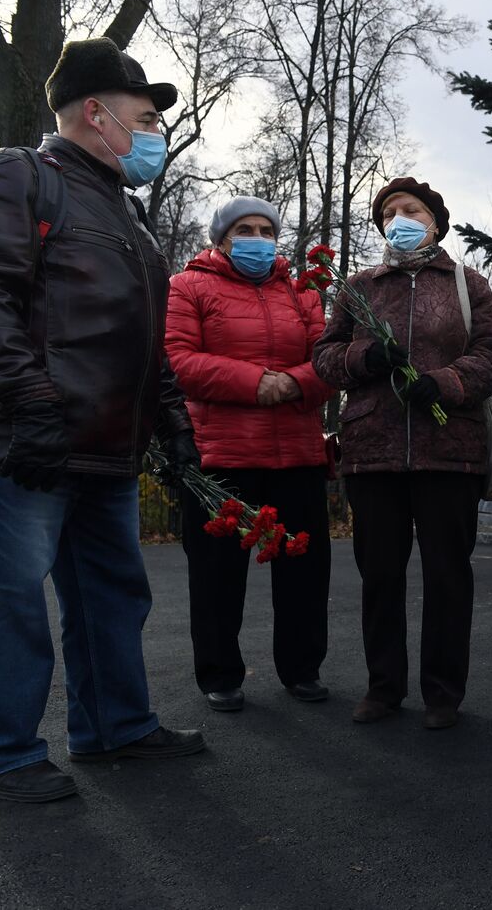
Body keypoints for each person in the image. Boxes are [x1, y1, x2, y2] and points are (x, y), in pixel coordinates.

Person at [0, 38, 206, 804]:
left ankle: (115, 726)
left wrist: (171, 420)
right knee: (6, 598)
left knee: (112, 595)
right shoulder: (20, 175)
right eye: (145, 118)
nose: (155, 137)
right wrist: (28, 401)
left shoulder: (129, 218)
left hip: (107, 451)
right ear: (96, 113)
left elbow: (144, 338)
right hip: (26, 444)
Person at [313, 178, 492, 729]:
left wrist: (445, 383)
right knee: (379, 575)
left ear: (436, 221)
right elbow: (324, 357)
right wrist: (364, 357)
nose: (399, 217)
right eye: (389, 211)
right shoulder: (358, 287)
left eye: (412, 210)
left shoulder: (468, 285)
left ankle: (444, 693)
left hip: (450, 450)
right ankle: (383, 688)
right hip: (373, 451)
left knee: (448, 574)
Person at [165, 196, 335, 713]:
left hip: (298, 452)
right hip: (223, 456)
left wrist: (293, 384)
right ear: (220, 239)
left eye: (266, 229)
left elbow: (327, 357)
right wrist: (258, 383)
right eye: (244, 229)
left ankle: (302, 669)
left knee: (305, 572)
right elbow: (179, 359)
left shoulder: (301, 292)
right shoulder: (188, 286)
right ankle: (220, 673)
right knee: (217, 576)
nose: (257, 239)